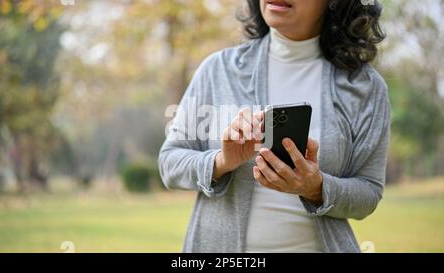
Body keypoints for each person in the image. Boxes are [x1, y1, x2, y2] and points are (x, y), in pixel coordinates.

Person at [158, 0, 390, 253]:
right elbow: (170, 162)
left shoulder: (366, 88)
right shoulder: (217, 70)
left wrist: (317, 188)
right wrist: (222, 161)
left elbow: (368, 192)